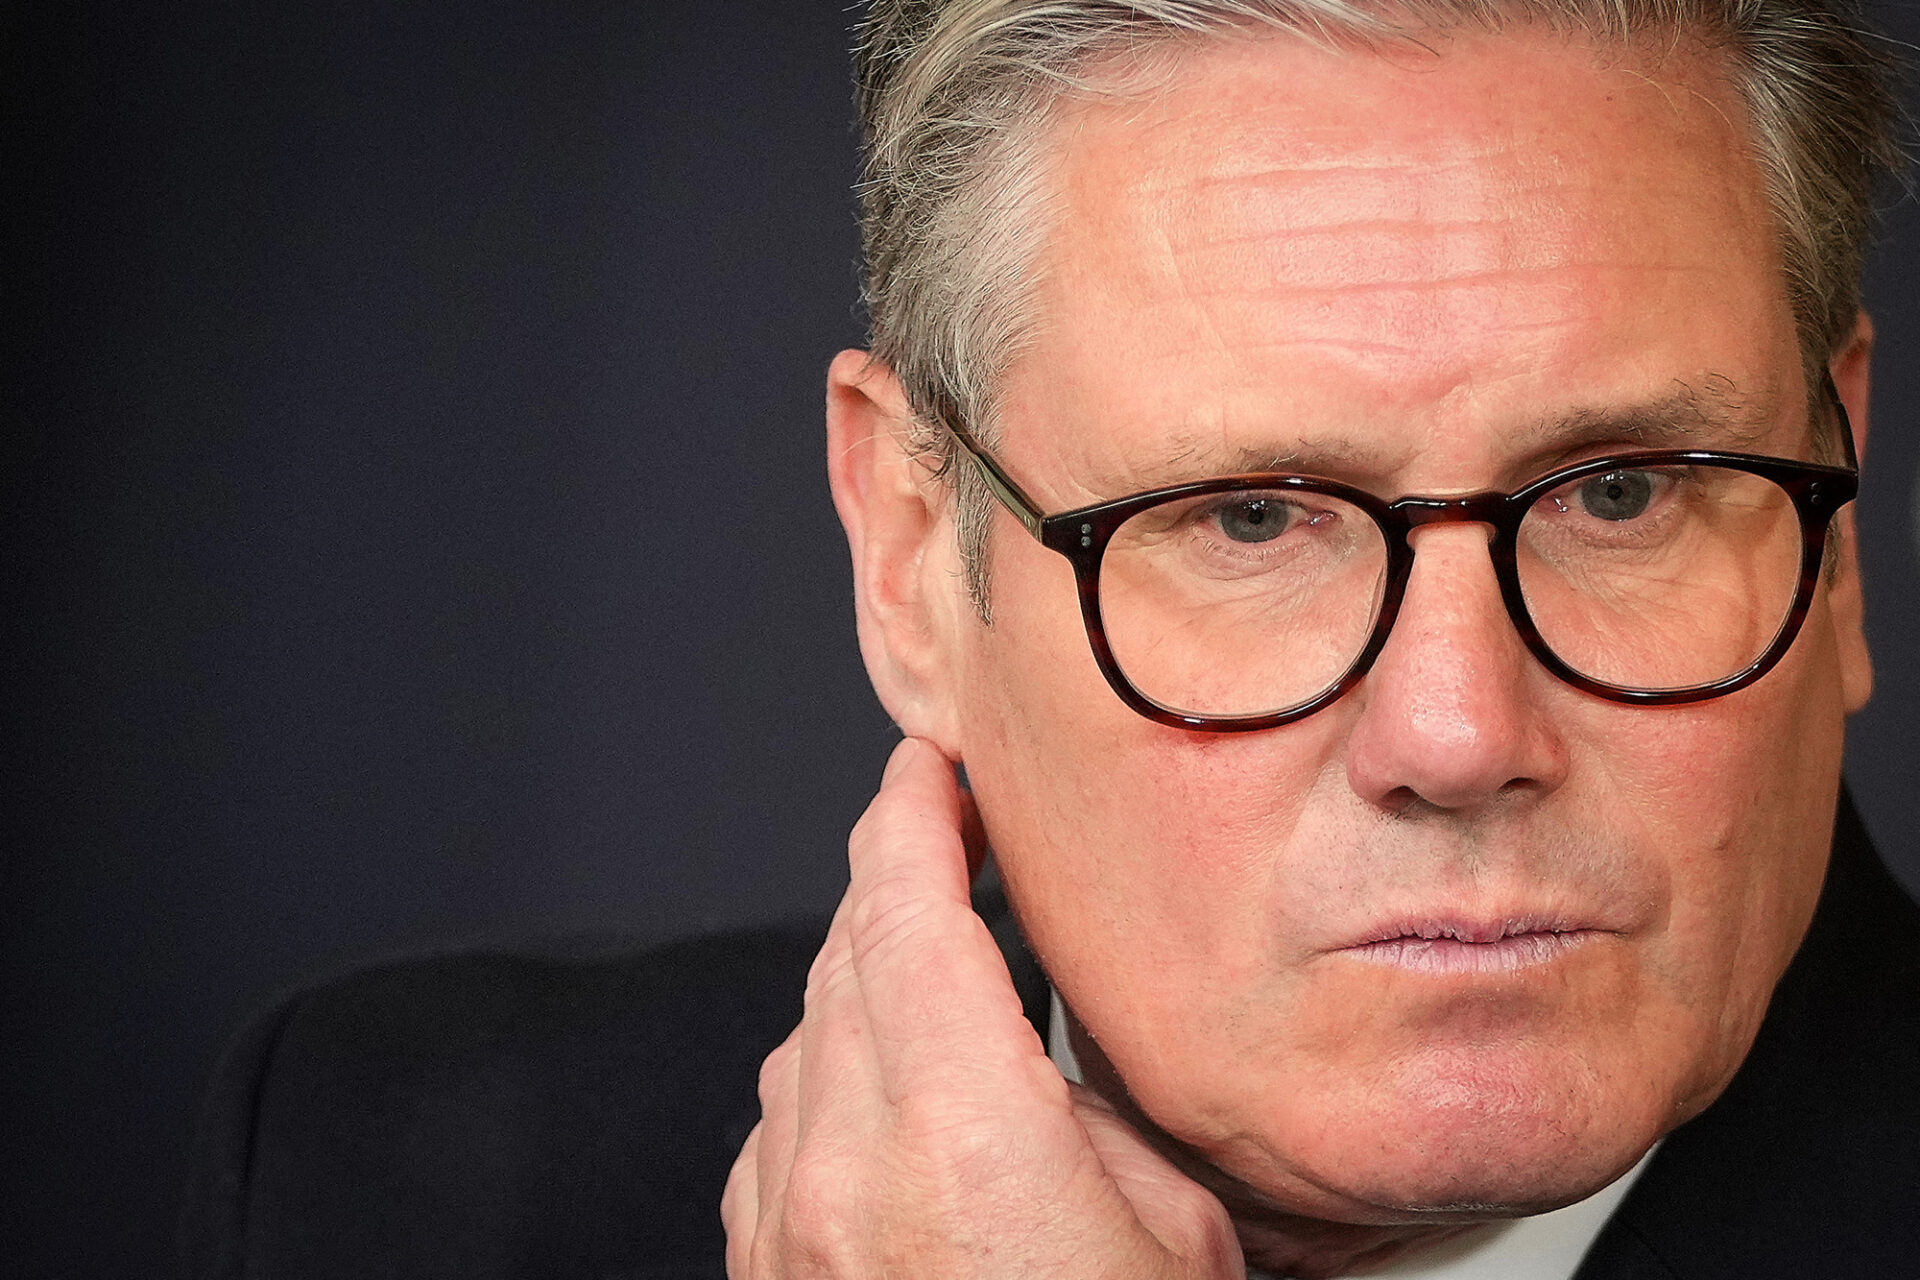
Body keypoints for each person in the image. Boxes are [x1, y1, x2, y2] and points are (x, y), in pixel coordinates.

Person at [181, 2, 1918, 1278]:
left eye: (1620, 494)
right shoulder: (398, 1175)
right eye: (1249, 518)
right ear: (911, 559)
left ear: (1836, 527)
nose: (1460, 735)